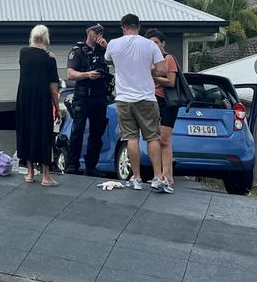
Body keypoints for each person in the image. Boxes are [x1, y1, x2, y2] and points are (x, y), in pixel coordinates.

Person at [104, 14, 173, 193]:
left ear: (123, 27)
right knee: (152, 137)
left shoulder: (113, 44)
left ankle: (136, 177)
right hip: (146, 98)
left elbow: (108, 59)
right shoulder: (149, 44)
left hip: (124, 99)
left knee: (131, 138)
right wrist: (148, 67)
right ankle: (158, 177)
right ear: (139, 27)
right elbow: (163, 69)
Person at [15, 24, 60, 186]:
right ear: (46, 38)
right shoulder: (49, 59)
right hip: (41, 99)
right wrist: (58, 108)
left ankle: (29, 172)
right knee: (44, 134)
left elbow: (32, 53)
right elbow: (53, 88)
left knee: (26, 131)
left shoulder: (23, 53)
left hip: (24, 99)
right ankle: (46, 176)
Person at [65, 23, 109, 177]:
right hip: (83, 96)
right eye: (96, 32)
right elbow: (70, 73)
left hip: (100, 96)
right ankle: (72, 165)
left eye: (101, 32)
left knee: (97, 133)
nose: (99, 35)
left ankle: (91, 166)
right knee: (78, 130)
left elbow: (119, 62)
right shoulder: (78, 50)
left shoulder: (104, 50)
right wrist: (87, 74)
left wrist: (107, 47)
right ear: (89, 32)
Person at [146, 29, 178, 189]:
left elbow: (171, 81)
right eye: (151, 43)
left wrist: (152, 76)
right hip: (152, 100)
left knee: (165, 139)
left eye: (156, 42)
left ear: (163, 43)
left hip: (167, 102)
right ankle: (159, 175)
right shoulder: (149, 61)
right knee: (155, 139)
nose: (154, 45)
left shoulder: (168, 58)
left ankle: (167, 175)